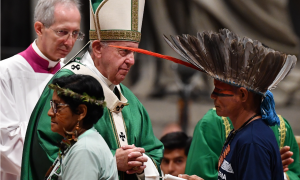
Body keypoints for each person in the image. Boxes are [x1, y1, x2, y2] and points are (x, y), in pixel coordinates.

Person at [21, 0, 164, 180]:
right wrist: (112, 159)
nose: (132, 60)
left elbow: (154, 150)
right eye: (124, 52)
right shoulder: (68, 86)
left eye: (134, 53)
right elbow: (46, 149)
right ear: (97, 48)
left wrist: (141, 164)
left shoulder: (130, 101)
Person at [0, 0, 82, 179]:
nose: (70, 42)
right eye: (62, 32)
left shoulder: (74, 75)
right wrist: (61, 168)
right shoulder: (5, 73)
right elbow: (6, 143)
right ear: (39, 28)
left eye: (75, 33)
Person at [185, 108, 300, 180]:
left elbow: (295, 174)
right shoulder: (212, 123)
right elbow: (201, 172)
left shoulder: (280, 126)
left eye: (220, 89)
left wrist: (276, 173)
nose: (213, 96)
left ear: (243, 94)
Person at [45, 74, 118, 180]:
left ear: (81, 112)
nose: (50, 112)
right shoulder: (81, 142)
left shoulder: (84, 150)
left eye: (58, 106)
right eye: (52, 105)